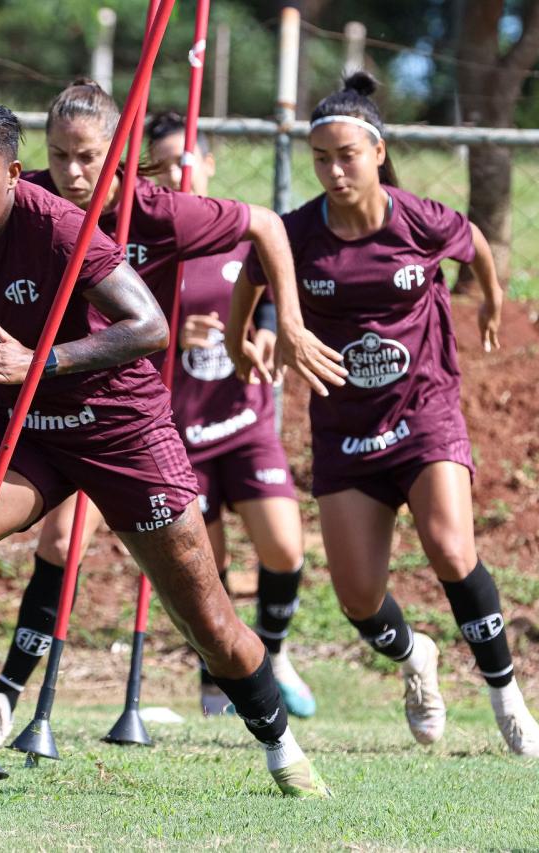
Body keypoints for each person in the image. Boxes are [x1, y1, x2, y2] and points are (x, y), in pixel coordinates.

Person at [0, 96, 331, 797]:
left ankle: (281, 744)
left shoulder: (61, 228)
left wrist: (41, 360)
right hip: (25, 429)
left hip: (121, 428)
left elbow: (150, 325)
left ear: (11, 172)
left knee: (210, 623)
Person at [0, 79, 324, 745]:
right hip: (45, 414)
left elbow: (268, 226)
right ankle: (5, 695)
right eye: (60, 155)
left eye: (89, 158)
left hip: (124, 424)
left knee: (196, 594)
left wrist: (289, 323)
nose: (73, 173)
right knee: (51, 543)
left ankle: (261, 706)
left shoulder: (157, 212)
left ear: (122, 155)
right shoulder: (28, 199)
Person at [228, 72, 539, 759]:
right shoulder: (296, 234)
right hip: (346, 432)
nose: (334, 169)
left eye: (347, 154)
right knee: (357, 600)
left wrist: (492, 300)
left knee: (451, 548)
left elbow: (475, 242)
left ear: (378, 152)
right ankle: (417, 659)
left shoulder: (417, 219)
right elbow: (250, 275)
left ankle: (509, 702)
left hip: (425, 411)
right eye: (322, 158)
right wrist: (240, 340)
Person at [144, 110, 313, 718]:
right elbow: (116, 328)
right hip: (181, 437)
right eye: (161, 166)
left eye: (185, 160)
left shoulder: (237, 229)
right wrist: (167, 336)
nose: (176, 173)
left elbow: (270, 287)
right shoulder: (151, 241)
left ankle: (274, 652)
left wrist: (266, 330)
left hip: (244, 426)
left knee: (285, 549)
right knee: (204, 574)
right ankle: (216, 689)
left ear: (209, 162)